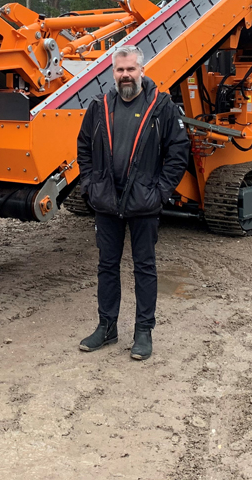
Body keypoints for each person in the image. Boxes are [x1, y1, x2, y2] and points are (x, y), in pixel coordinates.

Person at [75, 44, 190, 361]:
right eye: (120, 70)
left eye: (131, 69)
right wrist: (90, 184)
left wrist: (160, 191)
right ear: (114, 73)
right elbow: (84, 147)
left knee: (145, 268)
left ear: (142, 70)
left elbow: (178, 153)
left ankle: (143, 332)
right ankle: (107, 327)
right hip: (107, 202)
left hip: (143, 202)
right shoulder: (99, 106)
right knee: (107, 267)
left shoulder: (161, 106)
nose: (125, 75)